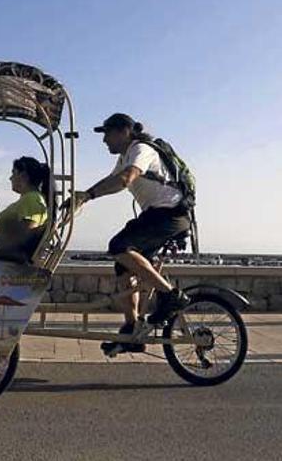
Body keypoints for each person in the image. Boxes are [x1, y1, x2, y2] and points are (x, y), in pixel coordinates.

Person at [70, 113, 192, 354]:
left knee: (119, 246)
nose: (104, 140)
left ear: (124, 131)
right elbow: (113, 179)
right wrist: (83, 195)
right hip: (156, 215)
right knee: (123, 265)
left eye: (107, 133)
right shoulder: (126, 155)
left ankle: (170, 295)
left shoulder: (141, 149)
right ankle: (131, 328)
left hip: (170, 215)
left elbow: (126, 179)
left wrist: (88, 195)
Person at [0, 156, 51, 262]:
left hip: (11, 259)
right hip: (5, 254)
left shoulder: (32, 199)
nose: (10, 178)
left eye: (13, 173)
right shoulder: (27, 199)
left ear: (23, 175)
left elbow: (25, 238)